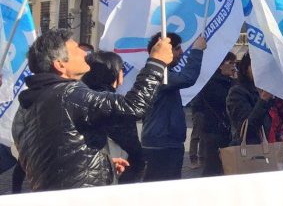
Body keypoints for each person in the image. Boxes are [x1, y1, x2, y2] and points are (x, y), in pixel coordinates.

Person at [12, 29, 172, 192]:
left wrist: (100, 165)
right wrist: (156, 63)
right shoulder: (69, 93)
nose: (84, 53)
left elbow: (54, 157)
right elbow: (132, 106)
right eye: (76, 49)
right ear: (60, 64)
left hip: (55, 200)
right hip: (83, 203)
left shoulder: (25, 107)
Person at [140, 32, 206, 182]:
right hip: (161, 145)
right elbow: (187, 78)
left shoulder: (164, 74)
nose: (181, 53)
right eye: (177, 49)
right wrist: (196, 50)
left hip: (168, 142)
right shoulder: (157, 74)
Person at [81, 51, 145, 184]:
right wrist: (139, 162)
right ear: (114, 72)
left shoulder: (79, 97)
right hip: (118, 168)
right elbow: (129, 141)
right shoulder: (113, 101)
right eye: (122, 69)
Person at [189, 52, 236, 176]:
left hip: (224, 130)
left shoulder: (228, 82)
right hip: (214, 130)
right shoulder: (213, 83)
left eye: (234, 63)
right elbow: (223, 100)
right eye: (230, 63)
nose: (233, 67)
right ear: (220, 66)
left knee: (223, 166)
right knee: (213, 166)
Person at [227, 53, 273, 146]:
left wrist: (278, 135)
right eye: (255, 65)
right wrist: (263, 100)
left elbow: (265, 123)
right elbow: (247, 128)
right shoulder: (237, 92)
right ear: (245, 69)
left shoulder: (261, 90)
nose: (260, 70)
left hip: (264, 148)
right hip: (248, 152)